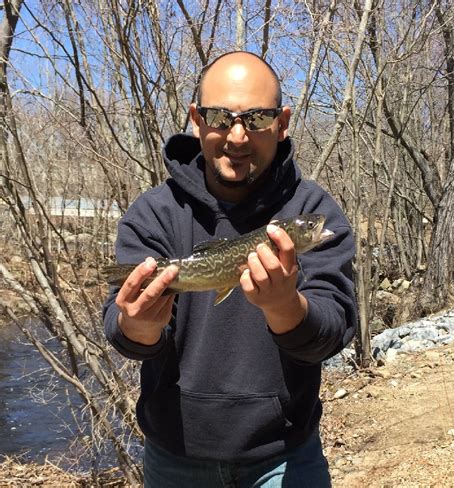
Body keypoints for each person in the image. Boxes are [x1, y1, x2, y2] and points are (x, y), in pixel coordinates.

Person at [103, 51, 357, 487]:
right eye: (221, 117)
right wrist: (138, 326)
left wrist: (285, 308)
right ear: (197, 120)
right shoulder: (155, 213)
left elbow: (333, 332)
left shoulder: (313, 211)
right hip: (175, 456)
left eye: (257, 119)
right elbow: (122, 328)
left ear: (282, 123)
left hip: (285, 455)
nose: (237, 136)